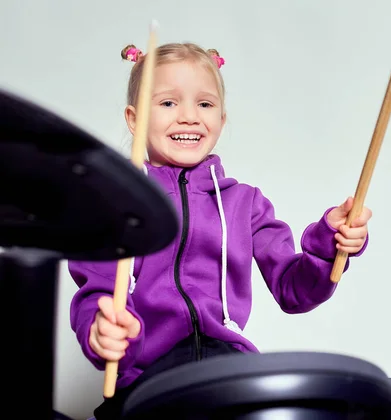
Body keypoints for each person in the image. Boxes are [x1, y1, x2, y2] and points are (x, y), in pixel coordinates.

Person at [68, 42, 372, 419]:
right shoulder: (115, 204)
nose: (189, 117)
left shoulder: (246, 203)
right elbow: (97, 290)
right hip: (149, 380)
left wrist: (330, 245)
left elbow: (295, 291)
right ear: (135, 118)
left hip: (228, 372)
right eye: (168, 103)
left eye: (205, 104)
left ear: (222, 120)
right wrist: (103, 331)